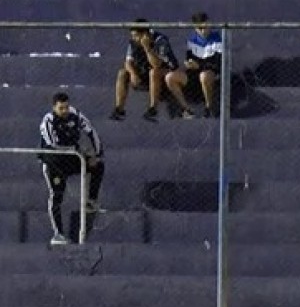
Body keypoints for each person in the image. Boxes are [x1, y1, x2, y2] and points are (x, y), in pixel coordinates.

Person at [38, 91, 104, 246]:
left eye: (66, 107)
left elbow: (91, 131)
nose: (65, 111)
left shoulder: (75, 115)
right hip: (54, 163)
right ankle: (58, 233)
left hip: (72, 158)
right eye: (61, 108)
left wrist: (97, 153)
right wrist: (80, 150)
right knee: (56, 196)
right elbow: (55, 144)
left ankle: (91, 201)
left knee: (98, 166)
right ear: (54, 108)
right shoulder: (48, 121)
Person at [113, 20, 189, 121]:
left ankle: (153, 108)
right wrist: (133, 74)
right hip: (144, 72)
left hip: (164, 74)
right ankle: (119, 109)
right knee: (122, 73)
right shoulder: (133, 43)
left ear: (144, 34)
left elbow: (156, 65)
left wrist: (147, 47)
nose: (134, 38)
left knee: (154, 72)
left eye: (136, 35)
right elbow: (128, 62)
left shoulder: (160, 40)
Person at [168, 12, 224, 117]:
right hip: (194, 75)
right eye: (199, 28)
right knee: (170, 77)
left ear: (209, 24)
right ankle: (187, 109)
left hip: (211, 74)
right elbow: (189, 58)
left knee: (204, 75)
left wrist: (200, 66)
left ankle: (209, 107)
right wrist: (188, 63)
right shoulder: (192, 40)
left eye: (205, 27)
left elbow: (218, 63)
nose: (203, 31)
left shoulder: (217, 38)